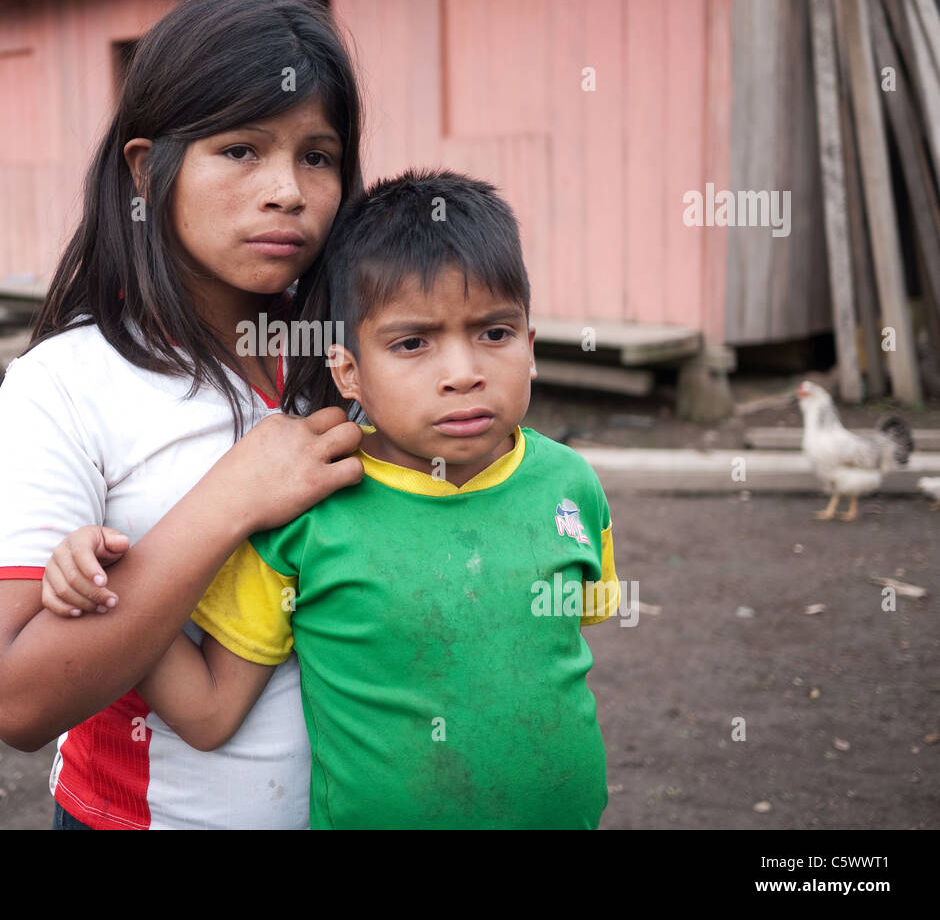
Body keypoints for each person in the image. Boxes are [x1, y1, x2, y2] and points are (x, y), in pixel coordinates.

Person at [47, 170, 622, 828]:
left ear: (531, 344)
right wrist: (107, 585)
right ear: (348, 370)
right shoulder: (310, 511)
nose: (464, 373)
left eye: (495, 333)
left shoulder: (572, 487)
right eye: (412, 342)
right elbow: (207, 712)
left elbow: (553, 658)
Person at [0, 0, 368, 830]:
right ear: (150, 171)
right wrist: (233, 496)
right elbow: (16, 699)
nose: (288, 191)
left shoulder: (354, 367)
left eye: (317, 154)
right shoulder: (67, 384)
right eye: (241, 150)